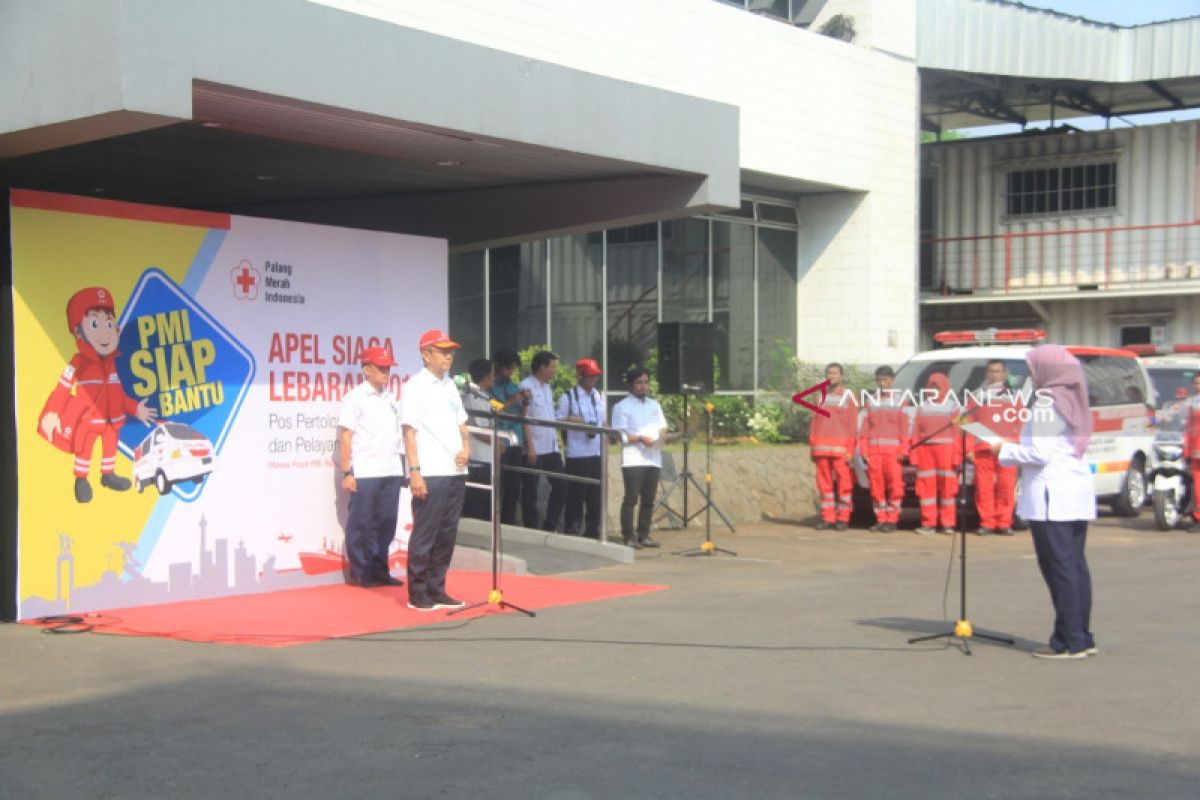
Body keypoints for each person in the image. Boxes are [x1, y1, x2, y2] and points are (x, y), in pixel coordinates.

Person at [994, 344, 1098, 659]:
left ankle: (1071, 641)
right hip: (1073, 493)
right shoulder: (1072, 397)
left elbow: (1039, 452)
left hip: (1052, 496)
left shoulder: (1046, 401)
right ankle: (1079, 635)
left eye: (1032, 367)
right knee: (1075, 568)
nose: (1029, 373)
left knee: (1060, 570)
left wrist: (1002, 449)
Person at [38, 287, 158, 503]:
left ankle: (108, 475)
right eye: (95, 324)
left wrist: (135, 408)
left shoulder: (112, 364)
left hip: (112, 420)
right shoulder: (78, 362)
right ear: (78, 331)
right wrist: (53, 412)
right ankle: (81, 478)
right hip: (88, 420)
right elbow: (63, 388)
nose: (105, 332)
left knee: (110, 443)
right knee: (85, 448)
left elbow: (119, 395)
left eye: (109, 324)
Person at [401, 329, 471, 611]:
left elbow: (461, 423)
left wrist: (466, 448)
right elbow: (409, 431)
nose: (449, 356)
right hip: (430, 470)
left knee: (447, 533)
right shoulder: (415, 386)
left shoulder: (450, 385)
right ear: (425, 354)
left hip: (455, 471)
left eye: (451, 351)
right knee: (425, 533)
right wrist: (415, 471)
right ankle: (417, 593)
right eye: (443, 351)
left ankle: (437, 587)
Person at [336, 345, 405, 588]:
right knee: (361, 523)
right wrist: (347, 472)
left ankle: (380, 570)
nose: (387, 371)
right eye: (381, 367)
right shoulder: (355, 397)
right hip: (365, 470)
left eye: (388, 367)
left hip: (391, 470)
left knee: (386, 522)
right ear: (367, 369)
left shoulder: (391, 398)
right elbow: (345, 436)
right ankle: (361, 571)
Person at [611, 366, 667, 549]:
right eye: (638, 383)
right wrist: (641, 438)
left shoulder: (654, 405)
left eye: (645, 382)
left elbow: (662, 426)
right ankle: (628, 536)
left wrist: (663, 435)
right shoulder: (621, 407)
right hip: (633, 459)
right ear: (630, 385)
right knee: (631, 499)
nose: (643, 386)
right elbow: (620, 435)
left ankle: (644, 535)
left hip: (653, 457)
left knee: (649, 500)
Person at [967, 359, 1022, 536]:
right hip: (983, 449)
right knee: (984, 488)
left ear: (1005, 374)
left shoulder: (1014, 395)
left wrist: (1011, 445)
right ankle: (987, 523)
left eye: (998, 371)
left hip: (1007, 449)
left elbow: (1020, 422)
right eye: (991, 371)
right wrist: (968, 448)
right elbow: (968, 422)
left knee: (1006, 487)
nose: (994, 375)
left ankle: (1004, 523)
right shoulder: (976, 395)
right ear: (986, 374)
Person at [557, 357, 606, 538]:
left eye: (595, 376)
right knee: (576, 493)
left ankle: (593, 529)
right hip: (577, 453)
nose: (592, 380)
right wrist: (575, 420)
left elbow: (602, 420)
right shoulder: (568, 396)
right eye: (589, 376)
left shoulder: (597, 395)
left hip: (595, 451)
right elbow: (558, 419)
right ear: (580, 376)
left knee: (595, 493)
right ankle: (572, 527)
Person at [520, 350, 567, 532]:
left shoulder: (547, 387)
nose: (554, 370)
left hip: (551, 447)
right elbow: (524, 418)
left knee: (561, 484)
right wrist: (530, 448)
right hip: (535, 447)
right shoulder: (526, 386)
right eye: (552, 366)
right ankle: (531, 527)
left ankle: (551, 525)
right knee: (530, 488)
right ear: (541, 367)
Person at [859, 365, 909, 532]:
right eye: (879, 380)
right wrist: (864, 451)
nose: (882, 383)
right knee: (876, 487)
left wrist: (903, 450)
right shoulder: (870, 401)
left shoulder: (901, 401)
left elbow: (904, 429)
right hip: (874, 453)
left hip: (893, 454)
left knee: (895, 486)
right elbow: (864, 430)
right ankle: (880, 519)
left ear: (892, 380)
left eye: (886, 380)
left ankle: (892, 520)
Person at [910, 372, 961, 535]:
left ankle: (947, 523)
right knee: (926, 489)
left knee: (948, 489)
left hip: (947, 451)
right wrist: (915, 454)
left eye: (937, 387)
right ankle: (928, 523)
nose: (934, 391)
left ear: (945, 388)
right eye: (931, 387)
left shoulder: (954, 407)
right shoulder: (922, 407)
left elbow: (959, 433)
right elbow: (916, 433)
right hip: (926, 452)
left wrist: (957, 455)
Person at [809, 362, 858, 531]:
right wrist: (813, 447)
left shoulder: (849, 397)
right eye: (829, 373)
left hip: (841, 449)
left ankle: (843, 518)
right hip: (821, 448)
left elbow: (852, 425)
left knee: (844, 484)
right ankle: (828, 518)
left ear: (842, 376)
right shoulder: (819, 396)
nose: (832, 376)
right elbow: (814, 422)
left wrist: (850, 449)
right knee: (824, 485)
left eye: (835, 373)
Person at [490, 348, 529, 525]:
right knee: (499, 484)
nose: (511, 372)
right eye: (509, 368)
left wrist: (525, 402)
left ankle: (509, 521)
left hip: (516, 440)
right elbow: (495, 409)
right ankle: (494, 520)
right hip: (500, 441)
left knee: (514, 486)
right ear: (499, 366)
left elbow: (522, 415)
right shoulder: (490, 386)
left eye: (513, 369)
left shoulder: (514, 386)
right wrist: (513, 400)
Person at [461, 357, 499, 522]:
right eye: (492, 374)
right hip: (477, 459)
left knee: (487, 506)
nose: (494, 377)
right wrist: (497, 442)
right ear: (485, 376)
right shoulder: (472, 397)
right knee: (475, 506)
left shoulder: (484, 396)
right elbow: (476, 429)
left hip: (487, 458)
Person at [1183, 374, 1200, 533]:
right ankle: (1197, 516)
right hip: (1195, 450)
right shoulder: (1192, 402)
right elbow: (1187, 425)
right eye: (1195, 383)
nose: (1197, 386)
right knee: (1197, 487)